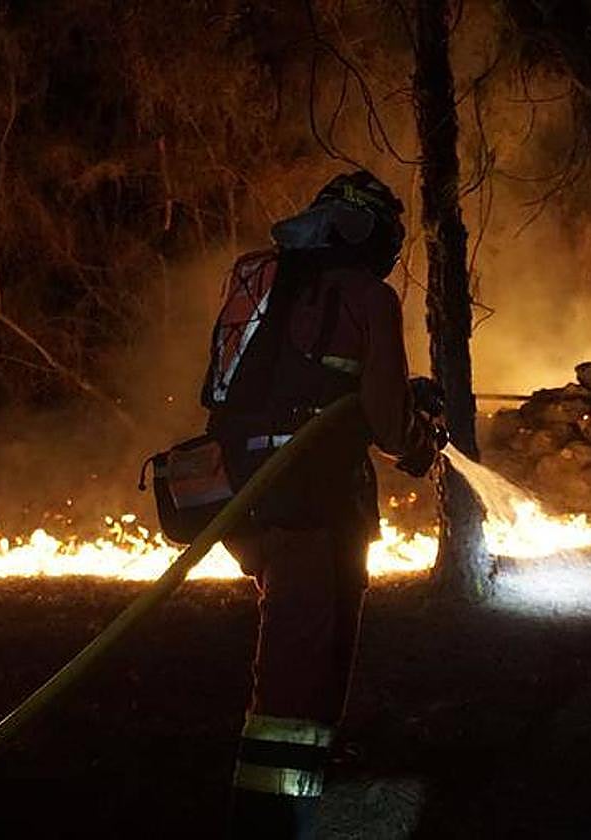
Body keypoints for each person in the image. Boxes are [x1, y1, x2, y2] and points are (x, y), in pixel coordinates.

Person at [198, 170, 442, 839]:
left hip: (247, 495)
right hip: (316, 505)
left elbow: (289, 388)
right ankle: (272, 821)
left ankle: (302, 794)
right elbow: (388, 424)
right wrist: (420, 437)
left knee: (295, 659)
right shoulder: (367, 296)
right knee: (303, 673)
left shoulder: (267, 284)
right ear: (371, 235)